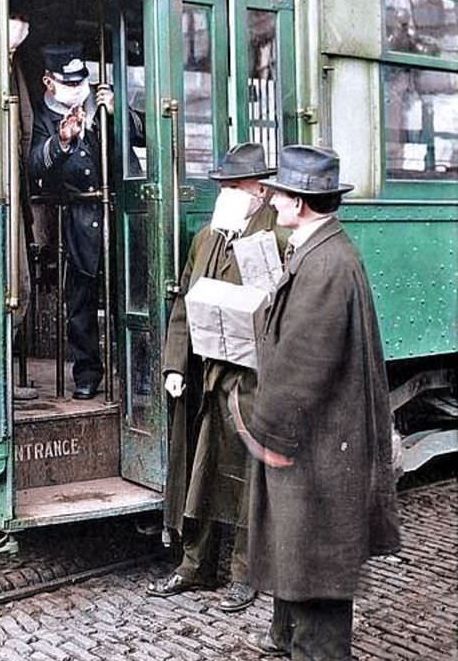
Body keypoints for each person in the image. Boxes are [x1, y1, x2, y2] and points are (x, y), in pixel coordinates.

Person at [239, 145, 401, 660]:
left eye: (281, 192)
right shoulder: (324, 251)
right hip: (319, 443)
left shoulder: (325, 262)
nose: (273, 198)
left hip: (315, 449)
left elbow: (302, 364)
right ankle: (290, 641)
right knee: (306, 561)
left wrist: (264, 430)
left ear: (301, 203)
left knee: (317, 571)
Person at [147, 143, 287, 612]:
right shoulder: (208, 237)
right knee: (202, 472)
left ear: (261, 191)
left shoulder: (278, 238)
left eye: (234, 186)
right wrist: (172, 364)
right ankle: (194, 565)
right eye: (222, 186)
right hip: (207, 376)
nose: (224, 193)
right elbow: (185, 304)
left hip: (253, 379)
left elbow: (285, 311)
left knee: (250, 476)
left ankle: (246, 573)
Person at [29, 43, 113, 400]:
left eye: (82, 81)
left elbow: (141, 136)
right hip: (78, 217)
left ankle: (138, 369)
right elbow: (34, 166)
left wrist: (115, 114)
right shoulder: (43, 116)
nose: (78, 88)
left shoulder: (101, 105)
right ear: (49, 81)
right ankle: (88, 372)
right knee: (81, 301)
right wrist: (61, 141)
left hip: (118, 214)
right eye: (68, 82)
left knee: (129, 294)